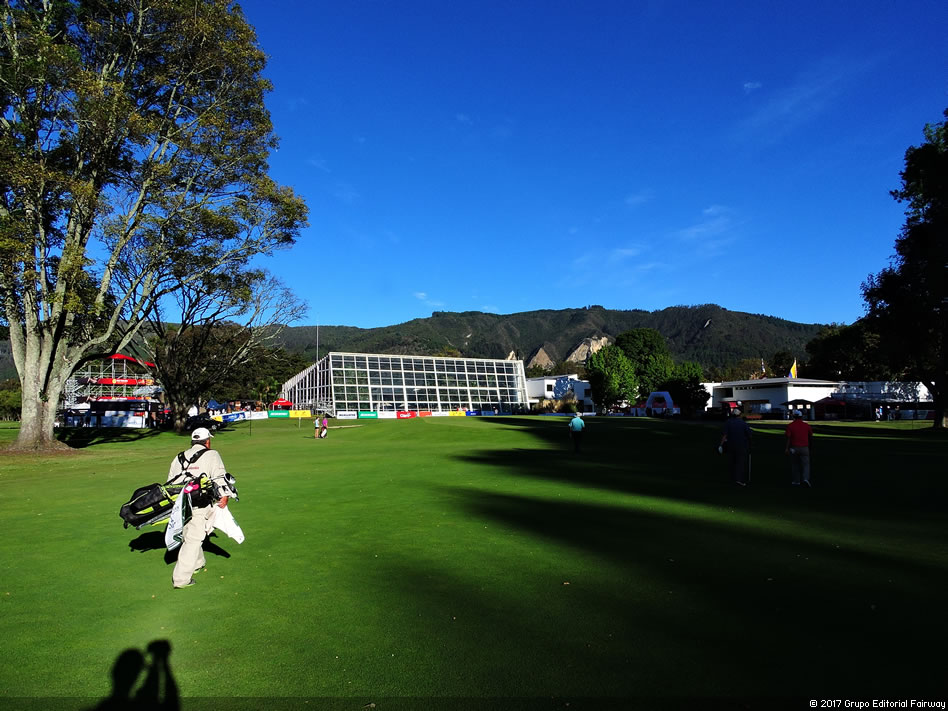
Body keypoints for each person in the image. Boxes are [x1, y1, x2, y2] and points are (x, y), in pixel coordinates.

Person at [167, 427, 236, 589]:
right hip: (200, 502)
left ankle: (198, 563)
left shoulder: (179, 457)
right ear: (207, 441)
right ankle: (181, 579)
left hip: (180, 503)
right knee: (193, 539)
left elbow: (170, 482)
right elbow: (219, 477)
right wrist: (224, 496)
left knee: (188, 534)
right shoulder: (212, 454)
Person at [720, 409, 752, 486]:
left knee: (732, 462)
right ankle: (738, 479)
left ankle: (732, 478)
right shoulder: (743, 423)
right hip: (741, 446)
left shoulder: (728, 422)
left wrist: (721, 445)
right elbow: (749, 434)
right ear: (739, 415)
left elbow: (725, 435)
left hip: (731, 445)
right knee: (740, 463)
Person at [785, 410, 814, 487]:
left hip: (794, 448)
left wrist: (787, 448)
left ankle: (796, 481)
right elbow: (810, 437)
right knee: (806, 465)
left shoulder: (790, 426)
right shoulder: (806, 425)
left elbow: (788, 438)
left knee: (795, 465)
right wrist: (810, 447)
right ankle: (805, 479)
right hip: (804, 447)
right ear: (801, 416)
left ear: (794, 416)